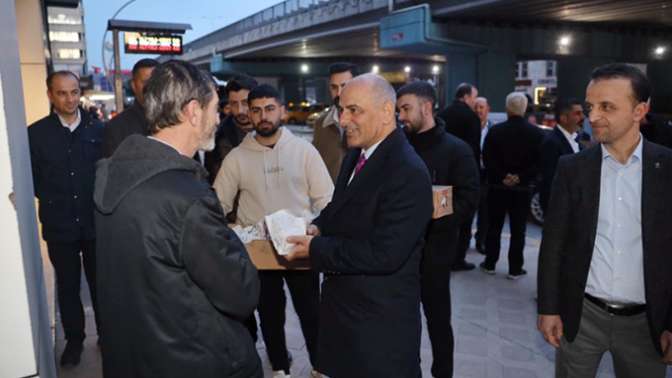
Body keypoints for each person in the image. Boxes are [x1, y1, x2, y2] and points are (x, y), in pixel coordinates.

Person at [94, 60, 262, 378]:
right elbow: (241, 294)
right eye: (216, 108)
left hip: (140, 356)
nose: (219, 117)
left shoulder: (112, 175)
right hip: (194, 359)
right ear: (193, 111)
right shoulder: (187, 197)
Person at [286, 74, 433, 377]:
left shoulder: (408, 170)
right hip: (346, 318)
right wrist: (318, 226)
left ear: (385, 111)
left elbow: (385, 254)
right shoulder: (357, 153)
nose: (342, 120)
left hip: (379, 331)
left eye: (354, 110)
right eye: (341, 109)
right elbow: (341, 205)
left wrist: (316, 248)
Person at [538, 63, 672, 377]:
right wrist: (548, 307)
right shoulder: (572, 168)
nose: (593, 116)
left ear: (640, 110)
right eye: (590, 107)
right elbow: (554, 244)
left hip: (646, 324)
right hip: (581, 316)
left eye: (607, 107)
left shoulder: (667, 169)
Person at [213, 84, 333, 378]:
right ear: (249, 114)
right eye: (256, 110)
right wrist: (234, 229)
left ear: (281, 110)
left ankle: (320, 367)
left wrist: (316, 228)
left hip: (300, 246)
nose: (263, 116)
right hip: (259, 252)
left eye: (269, 109)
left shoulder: (304, 151)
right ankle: (280, 368)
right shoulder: (237, 158)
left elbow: (327, 200)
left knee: (311, 312)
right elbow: (216, 204)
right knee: (269, 313)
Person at [397, 81, 479, 378]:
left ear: (427, 107)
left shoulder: (457, 150)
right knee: (403, 325)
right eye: (399, 110)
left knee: (438, 323)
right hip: (398, 255)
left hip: (435, 254)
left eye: (406, 108)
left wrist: (437, 212)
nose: (401, 116)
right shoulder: (398, 147)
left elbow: (470, 197)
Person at [28, 71, 103, 367]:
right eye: (62, 93)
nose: (70, 99)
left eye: (74, 92)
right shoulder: (35, 134)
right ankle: (74, 341)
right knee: (68, 286)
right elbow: (32, 180)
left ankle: (107, 335)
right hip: (59, 225)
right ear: (50, 95)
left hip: (95, 223)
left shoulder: (98, 129)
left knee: (101, 283)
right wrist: (53, 198)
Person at [480, 92, 544, 279]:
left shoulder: (495, 131)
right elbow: (538, 163)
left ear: (507, 108)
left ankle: (490, 262)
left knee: (494, 226)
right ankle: (515, 268)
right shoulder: (536, 134)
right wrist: (520, 177)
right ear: (524, 109)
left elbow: (487, 158)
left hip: (497, 187)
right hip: (522, 189)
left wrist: (503, 176)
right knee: (519, 230)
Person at [438, 83, 481, 271]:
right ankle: (458, 259)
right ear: (465, 96)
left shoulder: (443, 113)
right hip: (463, 177)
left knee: (442, 217)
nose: (475, 101)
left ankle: (442, 255)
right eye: (473, 97)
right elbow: (474, 148)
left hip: (443, 177)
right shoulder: (471, 117)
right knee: (464, 221)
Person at [204, 74, 258, 183]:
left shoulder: (273, 129)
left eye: (245, 103)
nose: (240, 111)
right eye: (234, 104)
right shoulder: (218, 138)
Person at [101, 58, 158, 157]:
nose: (150, 86)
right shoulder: (117, 127)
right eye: (145, 82)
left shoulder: (176, 121)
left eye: (155, 81)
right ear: (133, 85)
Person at [539, 98, 584, 212]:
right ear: (564, 118)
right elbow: (549, 180)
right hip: (560, 209)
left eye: (582, 113)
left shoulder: (577, 141)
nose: (582, 117)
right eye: (577, 114)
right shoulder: (551, 142)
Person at [312, 62, 354, 182]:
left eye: (344, 86)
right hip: (330, 196)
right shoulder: (321, 124)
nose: (339, 93)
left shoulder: (370, 120)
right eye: (334, 87)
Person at [473, 96, 492, 253]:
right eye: (476, 107)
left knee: (485, 211)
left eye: (481, 107)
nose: (478, 110)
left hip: (486, 175)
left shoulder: (493, 130)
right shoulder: (469, 129)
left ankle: (481, 241)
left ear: (488, 110)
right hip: (471, 174)